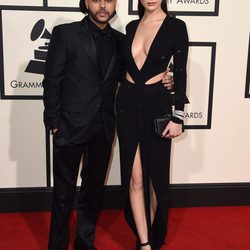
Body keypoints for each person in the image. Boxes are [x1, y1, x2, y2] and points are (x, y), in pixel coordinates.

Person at [43, 0, 173, 249]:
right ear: (85, 2)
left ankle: (84, 243)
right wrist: (54, 122)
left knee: (93, 193)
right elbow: (51, 81)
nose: (103, 5)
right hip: (68, 127)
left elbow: (137, 74)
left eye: (109, 0)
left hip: (103, 128)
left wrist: (166, 79)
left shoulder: (121, 40)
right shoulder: (65, 33)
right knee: (63, 195)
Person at [116, 0, 189, 249]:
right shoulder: (130, 27)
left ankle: (151, 230)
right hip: (126, 103)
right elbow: (120, 69)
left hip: (156, 104)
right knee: (135, 178)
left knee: (156, 179)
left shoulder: (176, 27)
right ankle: (145, 243)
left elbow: (180, 72)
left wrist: (178, 115)